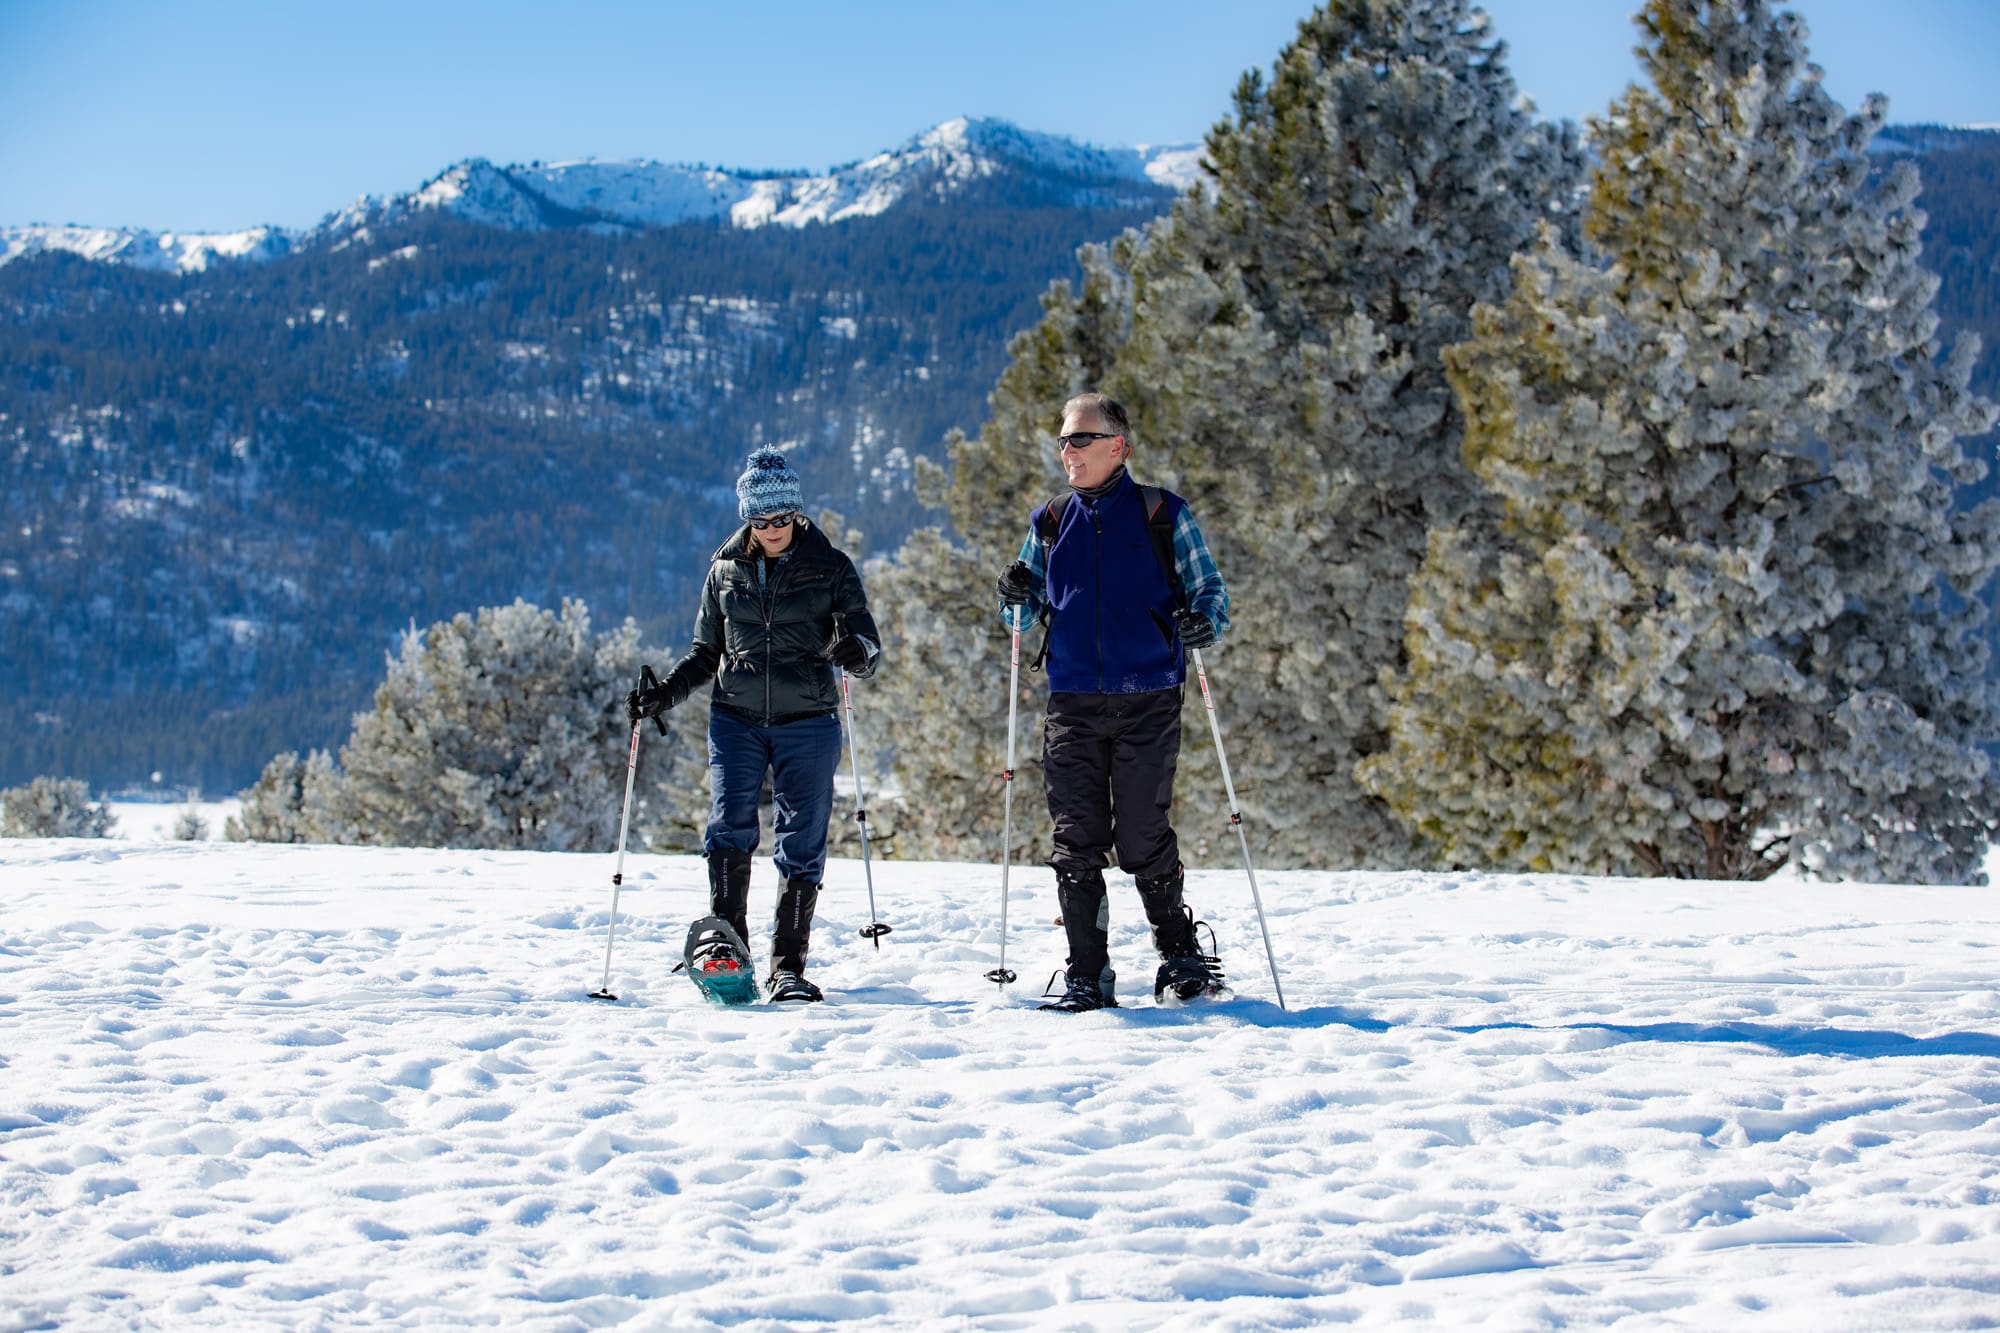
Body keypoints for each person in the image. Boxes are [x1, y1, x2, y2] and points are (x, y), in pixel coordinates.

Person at [995, 392, 1231, 1012]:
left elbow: (1209, 588)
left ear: (1118, 446)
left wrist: (1204, 621)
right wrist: (1014, 593)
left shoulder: (1162, 513)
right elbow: (1020, 617)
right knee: (1075, 839)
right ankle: (1087, 974)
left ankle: (1180, 956)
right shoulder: (1050, 521)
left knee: (1142, 833)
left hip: (1148, 696)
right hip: (1072, 700)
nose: (1067, 452)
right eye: (1063, 440)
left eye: (1080, 439)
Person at [629, 445, 880, 1003]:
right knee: (729, 826)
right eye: (760, 520)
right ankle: (728, 954)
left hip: (809, 720)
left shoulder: (831, 566)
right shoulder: (724, 571)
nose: (772, 529)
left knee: (802, 839)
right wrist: (665, 693)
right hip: (735, 719)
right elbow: (705, 652)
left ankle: (788, 967)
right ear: (747, 519)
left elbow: (867, 640)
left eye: (780, 518)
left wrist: (857, 653)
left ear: (796, 512)